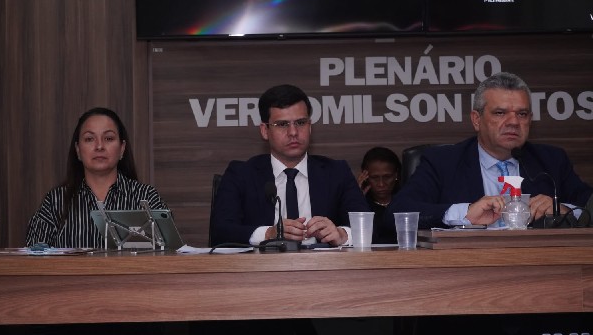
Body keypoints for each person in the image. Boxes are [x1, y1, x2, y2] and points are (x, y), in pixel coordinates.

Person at [386, 71, 593, 230]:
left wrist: (563, 210)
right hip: (468, 267)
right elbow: (396, 213)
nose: (513, 122)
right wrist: (465, 213)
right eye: (500, 113)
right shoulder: (443, 162)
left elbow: (588, 205)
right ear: (477, 120)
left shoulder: (552, 161)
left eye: (522, 114)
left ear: (530, 119)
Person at [211, 84, 370, 247]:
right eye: (282, 124)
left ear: (310, 127)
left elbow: (369, 227)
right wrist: (268, 234)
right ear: (265, 130)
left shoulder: (337, 172)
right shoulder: (241, 174)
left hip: (322, 263)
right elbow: (221, 231)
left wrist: (342, 235)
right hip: (262, 263)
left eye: (300, 123)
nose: (293, 132)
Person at [26, 107, 168, 248]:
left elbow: (168, 254)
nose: (99, 146)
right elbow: (34, 255)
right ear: (78, 150)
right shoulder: (56, 201)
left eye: (108, 138)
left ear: (122, 148)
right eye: (89, 139)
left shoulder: (146, 196)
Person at [357, 147, 401, 243]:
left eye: (387, 177)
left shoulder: (406, 199)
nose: (381, 184)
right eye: (374, 177)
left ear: (396, 175)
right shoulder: (362, 203)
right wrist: (356, 198)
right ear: (365, 177)